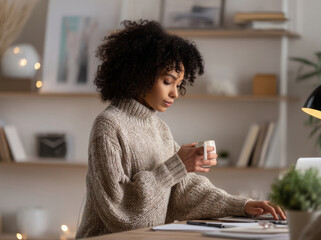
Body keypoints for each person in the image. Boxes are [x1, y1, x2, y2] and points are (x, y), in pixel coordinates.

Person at [75, 20, 286, 239]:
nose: (175, 93)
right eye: (168, 81)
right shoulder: (108, 126)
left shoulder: (160, 129)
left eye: (179, 84)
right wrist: (178, 165)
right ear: (139, 75)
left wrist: (243, 205)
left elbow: (184, 192)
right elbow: (120, 210)